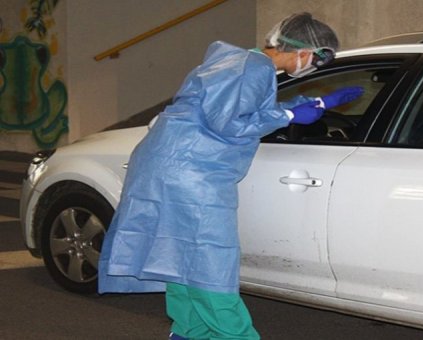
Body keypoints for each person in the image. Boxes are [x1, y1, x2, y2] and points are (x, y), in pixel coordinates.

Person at [97, 12, 363, 340]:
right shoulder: (253, 68)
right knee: (210, 263)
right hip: (192, 172)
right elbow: (226, 121)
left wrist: (315, 103)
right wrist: (290, 113)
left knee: (182, 260)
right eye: (317, 59)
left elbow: (237, 110)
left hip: (172, 166)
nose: (314, 67)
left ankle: (189, 332)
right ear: (301, 50)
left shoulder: (242, 64)